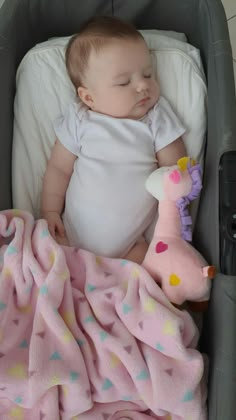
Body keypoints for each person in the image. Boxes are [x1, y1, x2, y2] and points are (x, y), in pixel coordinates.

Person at [41, 16, 186, 264]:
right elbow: (58, 168)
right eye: (124, 82)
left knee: (148, 277)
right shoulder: (80, 120)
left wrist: (179, 183)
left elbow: (176, 168)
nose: (143, 85)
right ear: (88, 98)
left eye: (148, 74)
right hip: (71, 239)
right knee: (50, 265)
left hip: (131, 247)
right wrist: (50, 210)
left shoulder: (155, 117)